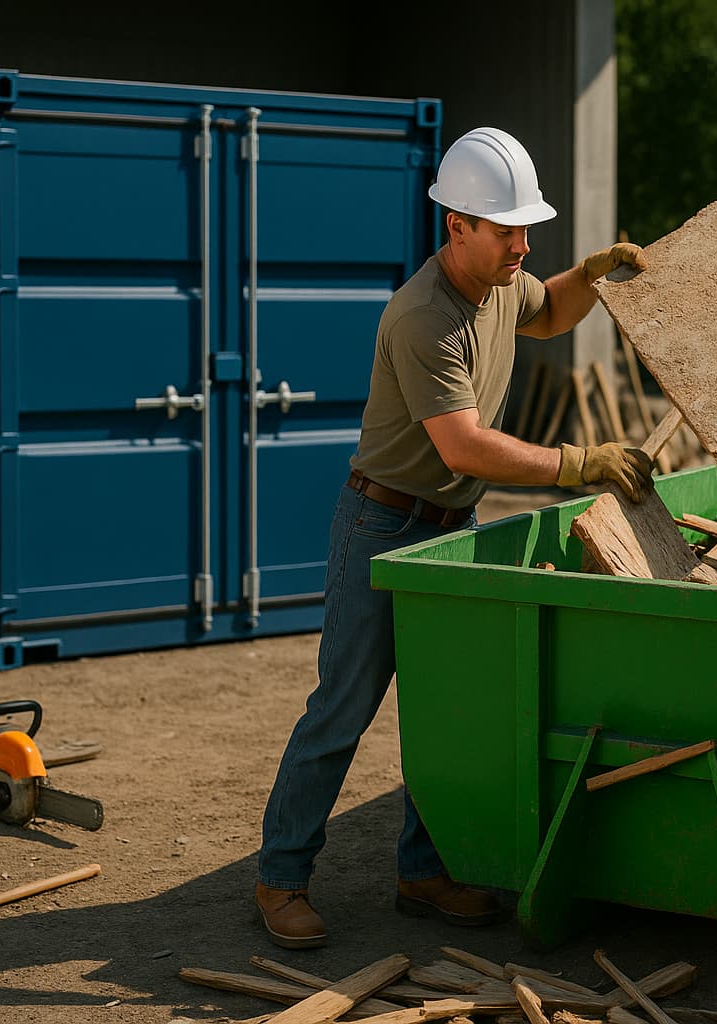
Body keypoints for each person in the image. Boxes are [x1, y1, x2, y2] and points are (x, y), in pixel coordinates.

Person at [254, 126, 652, 949]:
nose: (523, 244)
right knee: (343, 710)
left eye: (526, 230)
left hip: (449, 523)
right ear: (456, 226)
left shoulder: (504, 282)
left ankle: (423, 873)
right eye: (506, 229)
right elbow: (464, 445)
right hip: (382, 524)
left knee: (446, 712)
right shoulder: (422, 316)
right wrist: (580, 461)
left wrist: (594, 274)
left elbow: (551, 311)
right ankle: (280, 879)